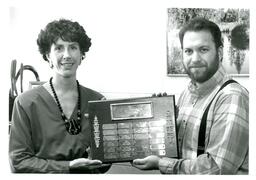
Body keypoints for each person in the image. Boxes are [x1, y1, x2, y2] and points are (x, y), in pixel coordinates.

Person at [132, 17, 249, 174]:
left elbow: (216, 169)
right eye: (188, 51)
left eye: (203, 50)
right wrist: (162, 122)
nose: (195, 58)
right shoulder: (187, 93)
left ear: (219, 52)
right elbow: (184, 150)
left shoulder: (232, 97)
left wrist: (161, 164)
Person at [9, 18, 111, 173]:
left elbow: (104, 162)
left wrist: (100, 160)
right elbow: (18, 161)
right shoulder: (25, 103)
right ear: (47, 56)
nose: (67, 55)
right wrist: (67, 167)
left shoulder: (97, 100)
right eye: (58, 48)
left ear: (82, 54)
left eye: (73, 47)